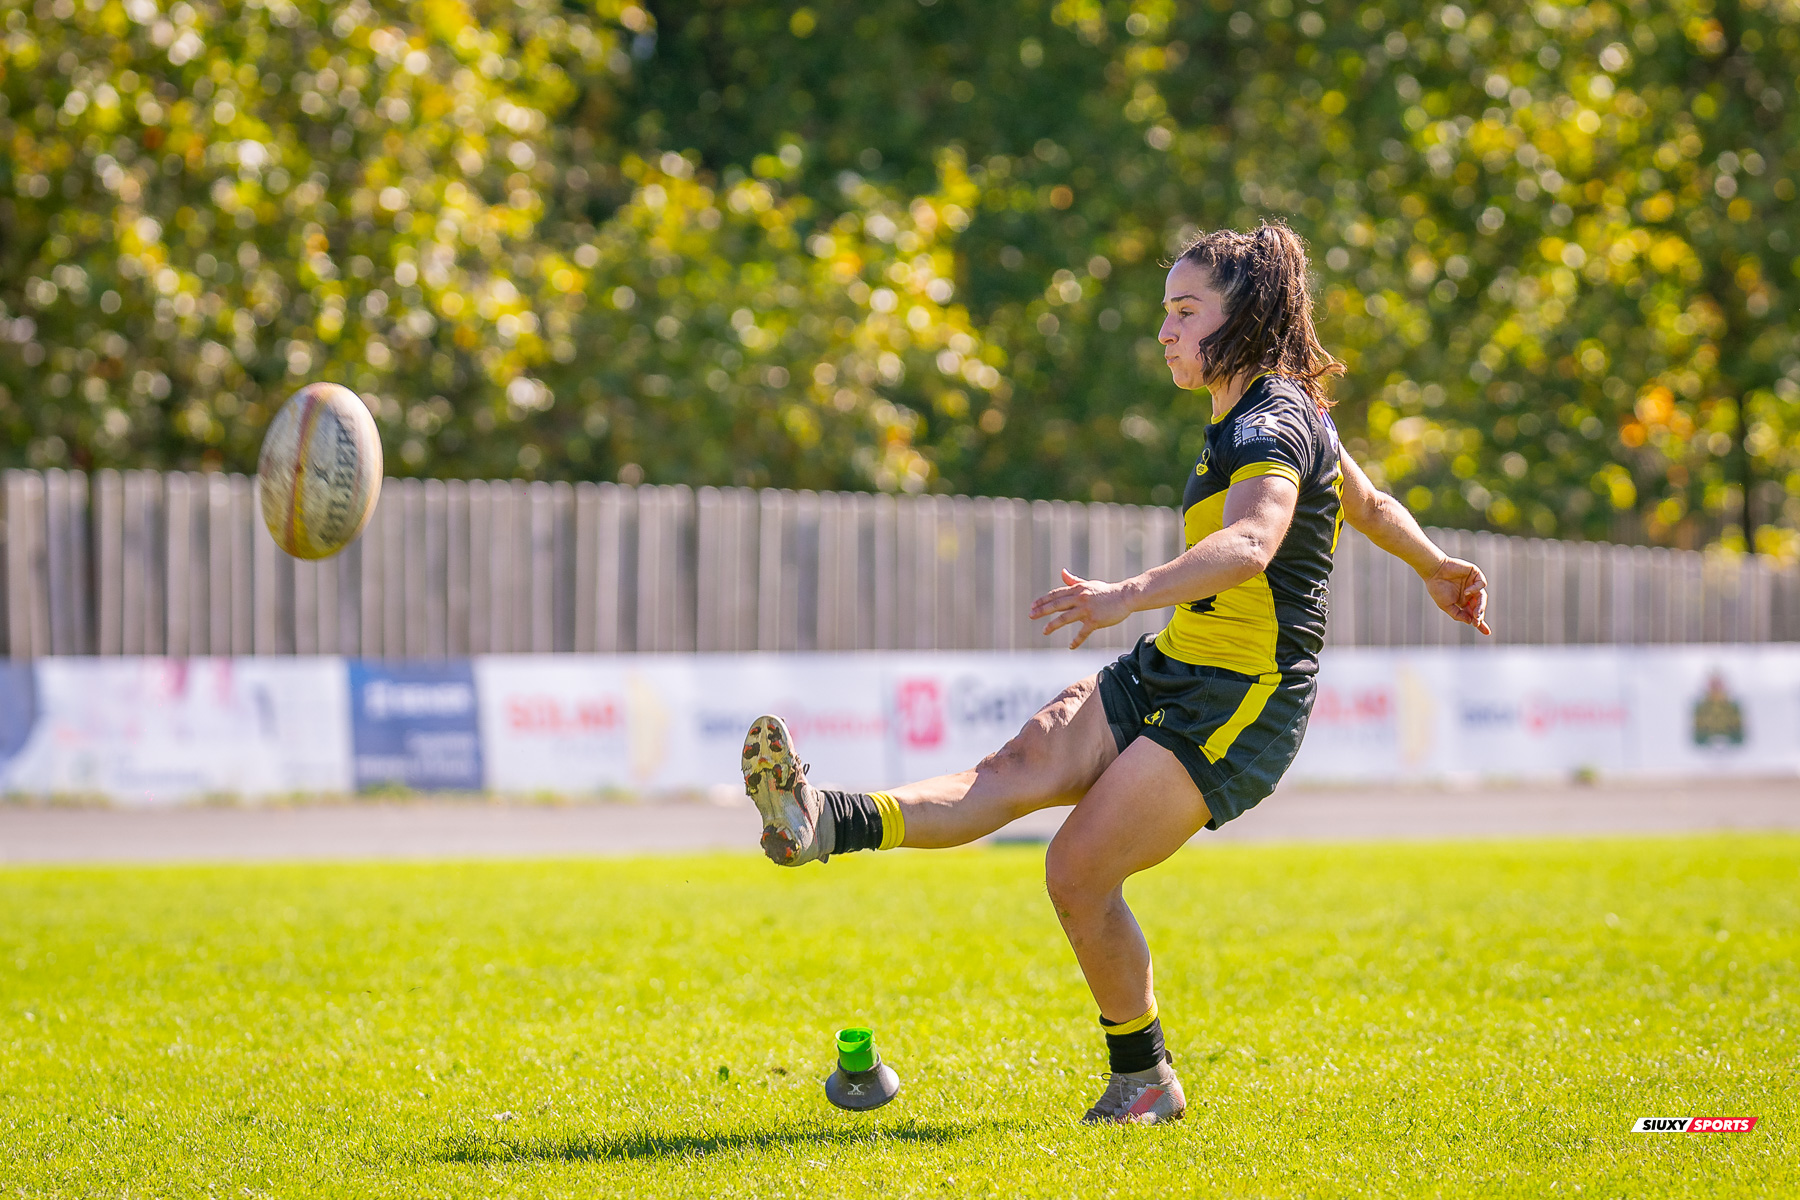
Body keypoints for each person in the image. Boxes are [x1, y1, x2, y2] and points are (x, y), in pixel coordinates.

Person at [740, 221, 1492, 1125]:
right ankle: (828, 821)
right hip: (1176, 665)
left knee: (1076, 870)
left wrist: (1122, 594)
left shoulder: (1272, 420)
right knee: (1016, 770)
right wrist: (1434, 565)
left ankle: (1144, 1081)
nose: (1166, 333)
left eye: (1186, 312)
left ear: (1245, 315)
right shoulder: (1278, 413)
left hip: (1243, 697)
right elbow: (1367, 501)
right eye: (1164, 312)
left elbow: (1253, 545)